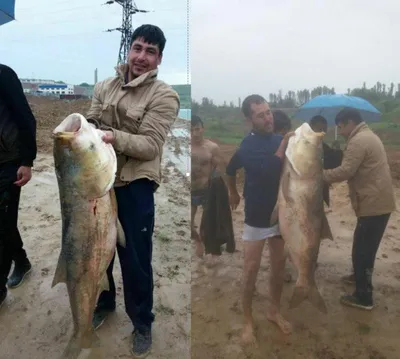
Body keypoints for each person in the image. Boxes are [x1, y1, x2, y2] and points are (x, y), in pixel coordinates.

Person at [85, 24, 180, 357]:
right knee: (100, 249)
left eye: (150, 51)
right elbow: (93, 120)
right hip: (100, 181)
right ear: (129, 48)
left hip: (135, 184)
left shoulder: (164, 96)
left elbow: (151, 145)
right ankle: (104, 302)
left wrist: (112, 136)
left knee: (136, 258)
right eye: (138, 47)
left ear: (159, 59)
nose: (141, 57)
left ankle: (142, 322)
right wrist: (86, 128)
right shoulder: (104, 86)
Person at [226, 94, 294, 343]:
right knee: (251, 270)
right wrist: (232, 191)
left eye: (268, 112)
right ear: (249, 120)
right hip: (256, 217)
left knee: (278, 267)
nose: (268, 118)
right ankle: (247, 320)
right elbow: (259, 169)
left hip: (280, 217)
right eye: (260, 114)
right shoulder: (248, 146)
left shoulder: (280, 139)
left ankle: (274, 311)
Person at [322, 107, 396, 310]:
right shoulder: (367, 136)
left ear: (349, 122)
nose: (341, 131)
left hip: (373, 204)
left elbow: (346, 170)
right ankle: (359, 276)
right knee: (364, 246)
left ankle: (364, 297)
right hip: (377, 201)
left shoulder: (359, 140)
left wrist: (318, 176)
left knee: (362, 250)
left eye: (341, 127)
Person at [0, 64, 36, 309]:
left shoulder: (4, 75)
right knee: (3, 223)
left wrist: (27, 160)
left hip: (9, 162)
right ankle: (21, 260)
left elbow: (26, 118)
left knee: (2, 224)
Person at [191, 114, 225, 262]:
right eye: (191, 130)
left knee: (208, 224)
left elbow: (219, 169)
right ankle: (197, 240)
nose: (195, 133)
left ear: (203, 128)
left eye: (197, 129)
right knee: (188, 224)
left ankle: (207, 245)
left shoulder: (212, 147)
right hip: (190, 191)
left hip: (206, 190)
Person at [309, 115, 343, 206]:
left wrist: (337, 151)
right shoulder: (302, 147)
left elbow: (332, 163)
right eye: (320, 129)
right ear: (311, 128)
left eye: (324, 130)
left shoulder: (322, 146)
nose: (322, 133)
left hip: (320, 192)